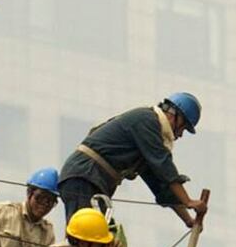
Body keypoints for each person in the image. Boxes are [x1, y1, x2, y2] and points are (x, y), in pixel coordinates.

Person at [57, 93, 208, 230]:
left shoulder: (146, 144)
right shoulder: (147, 121)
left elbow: (162, 187)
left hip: (92, 180)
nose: (180, 135)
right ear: (173, 114)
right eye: (183, 127)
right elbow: (164, 166)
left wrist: (188, 220)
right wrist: (188, 201)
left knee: (108, 237)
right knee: (88, 233)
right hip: (84, 176)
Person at [0, 167, 58, 247]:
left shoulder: (48, 232)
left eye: (49, 201)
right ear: (29, 193)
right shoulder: (3, 211)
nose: (44, 205)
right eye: (40, 198)